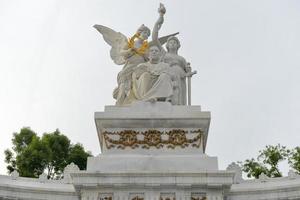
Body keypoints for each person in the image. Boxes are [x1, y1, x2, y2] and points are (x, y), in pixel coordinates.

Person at [152, 8, 188, 105]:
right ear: (167, 45)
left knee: (178, 96)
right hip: (168, 74)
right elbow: (155, 39)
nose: (172, 44)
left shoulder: (182, 59)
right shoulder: (164, 53)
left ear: (178, 45)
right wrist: (160, 17)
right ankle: (166, 99)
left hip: (180, 77)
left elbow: (187, 70)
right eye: (170, 42)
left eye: (174, 42)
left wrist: (188, 69)